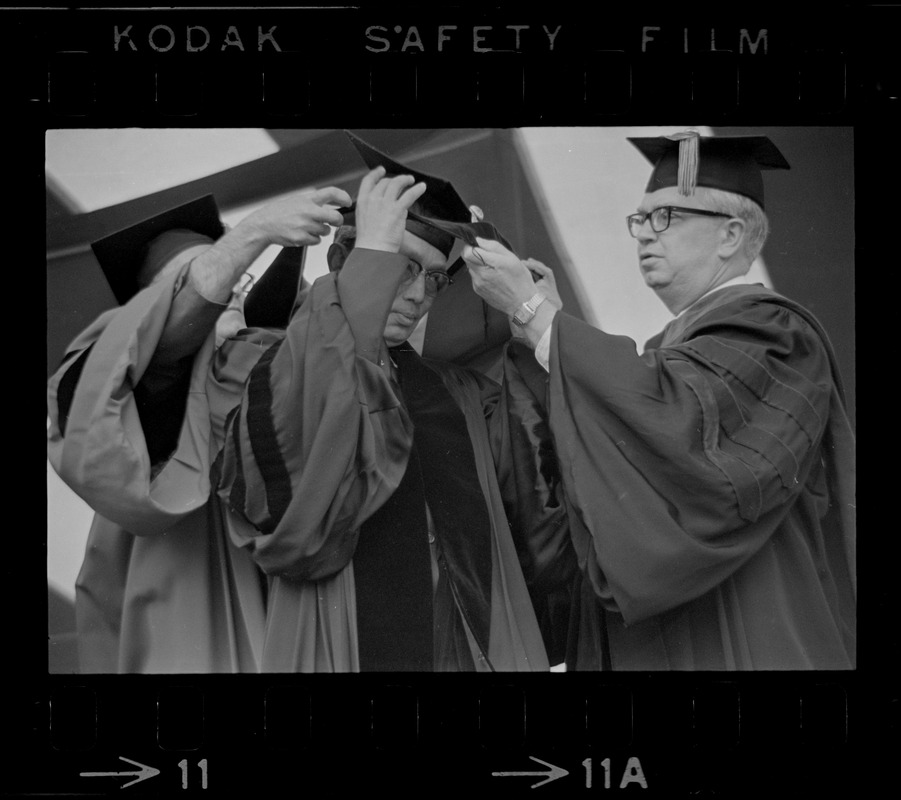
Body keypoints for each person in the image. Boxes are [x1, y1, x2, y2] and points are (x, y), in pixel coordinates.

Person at [461, 130, 856, 670]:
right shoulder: (675, 351)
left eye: (666, 216)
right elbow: (638, 408)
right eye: (640, 220)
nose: (644, 235)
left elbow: (678, 431)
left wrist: (540, 315)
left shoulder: (777, 335)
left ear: (731, 235)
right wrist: (542, 329)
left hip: (745, 637)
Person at [214, 132, 569, 671]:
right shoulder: (279, 361)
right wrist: (371, 257)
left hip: (468, 641)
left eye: (430, 279)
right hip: (352, 640)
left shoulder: (460, 392)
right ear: (341, 258)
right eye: (398, 266)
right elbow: (302, 464)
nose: (415, 296)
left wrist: (539, 322)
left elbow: (542, 500)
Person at [47, 185, 352, 673]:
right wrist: (255, 231)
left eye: (233, 275)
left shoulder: (267, 362)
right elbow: (165, 346)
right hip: (187, 640)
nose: (224, 289)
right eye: (192, 280)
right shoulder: (142, 388)